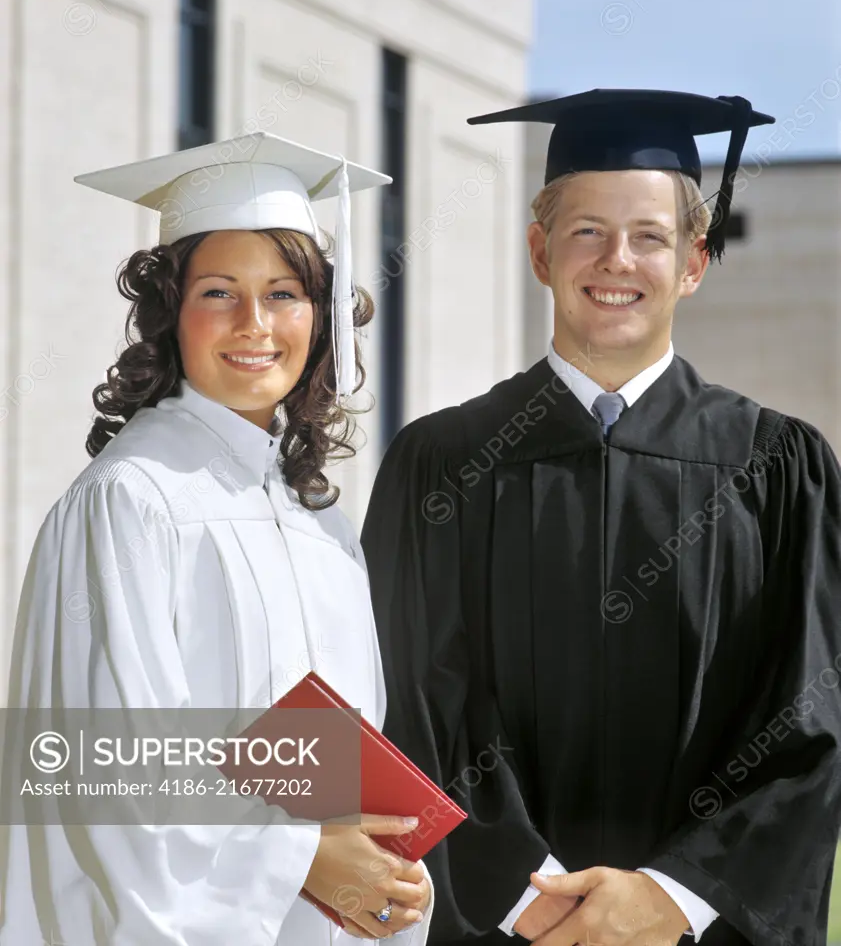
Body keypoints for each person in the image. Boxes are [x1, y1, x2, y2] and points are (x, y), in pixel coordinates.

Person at [360, 89, 841, 945]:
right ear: (540, 252)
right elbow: (410, 703)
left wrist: (674, 897)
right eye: (586, 231)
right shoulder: (440, 463)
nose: (615, 260)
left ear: (693, 262)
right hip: (498, 926)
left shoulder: (778, 469)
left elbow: (811, 719)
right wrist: (522, 892)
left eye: (649, 236)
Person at [0, 132, 434, 945]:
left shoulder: (320, 524)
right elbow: (99, 768)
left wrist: (386, 872)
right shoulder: (131, 501)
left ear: (321, 313)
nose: (255, 324)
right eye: (218, 293)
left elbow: (345, 760)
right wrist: (297, 858)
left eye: (283, 294)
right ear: (171, 315)